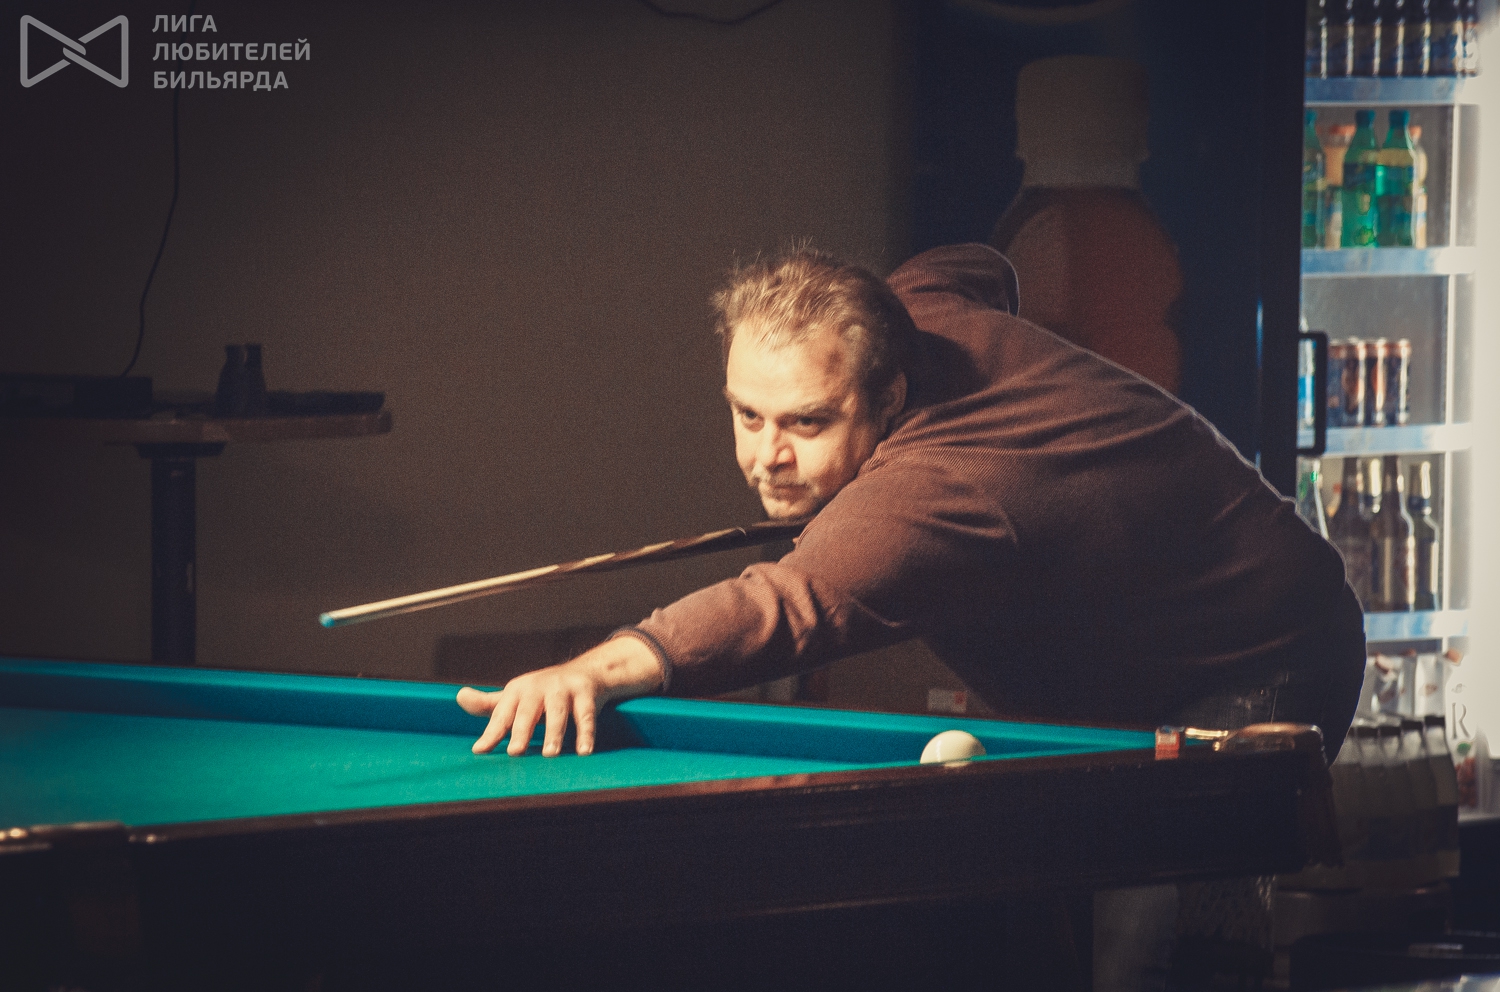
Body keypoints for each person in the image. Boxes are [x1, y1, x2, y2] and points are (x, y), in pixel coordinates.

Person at [458, 243, 1364, 767]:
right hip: (1128, 654)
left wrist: (595, 671)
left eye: (807, 422)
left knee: (1150, 944)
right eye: (748, 415)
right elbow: (977, 266)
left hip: (1267, 652)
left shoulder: (936, 493)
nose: (768, 456)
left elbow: (784, 603)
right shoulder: (917, 304)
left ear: (889, 395)